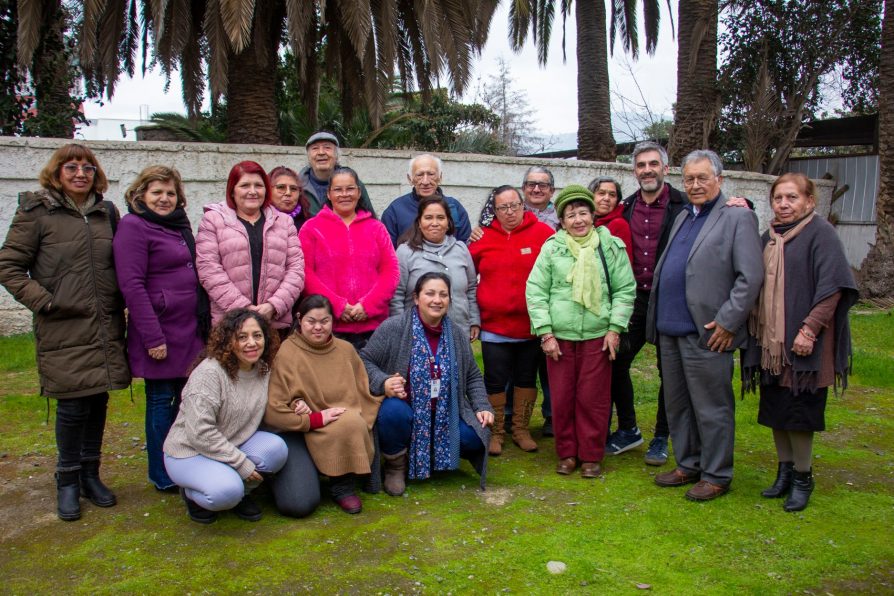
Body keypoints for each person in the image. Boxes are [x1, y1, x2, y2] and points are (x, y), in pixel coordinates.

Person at [0, 143, 130, 521]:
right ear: (57, 172)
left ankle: (92, 474)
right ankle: (67, 480)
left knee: (98, 400)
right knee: (73, 404)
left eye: (87, 168)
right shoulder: (37, 212)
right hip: (63, 324)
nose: (79, 174)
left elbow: (120, 260)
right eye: (71, 167)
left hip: (104, 322)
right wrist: (46, 302)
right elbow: (9, 266)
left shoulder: (107, 212)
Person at [646, 149, 763, 502]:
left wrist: (728, 322)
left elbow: (750, 276)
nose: (695, 185)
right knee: (678, 404)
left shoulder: (737, 218)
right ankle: (689, 463)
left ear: (720, 180)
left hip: (709, 332)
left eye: (703, 178)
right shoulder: (684, 216)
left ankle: (716, 473)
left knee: (711, 406)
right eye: (690, 179)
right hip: (671, 329)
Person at [743, 173, 858, 512]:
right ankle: (784, 471)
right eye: (778, 198)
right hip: (771, 345)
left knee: (800, 412)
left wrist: (809, 330)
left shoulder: (821, 234)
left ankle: (803, 477)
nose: (784, 204)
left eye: (792, 197)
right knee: (777, 409)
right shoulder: (769, 237)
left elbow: (833, 287)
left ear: (809, 201)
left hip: (807, 344)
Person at [526, 185, 636, 479]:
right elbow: (536, 291)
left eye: (583, 213)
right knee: (562, 398)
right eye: (571, 215)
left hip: (598, 335)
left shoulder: (609, 246)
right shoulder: (552, 248)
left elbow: (625, 289)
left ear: (592, 215)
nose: (578, 220)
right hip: (560, 336)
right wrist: (546, 334)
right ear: (562, 220)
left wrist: (615, 329)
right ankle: (567, 453)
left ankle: (590, 454)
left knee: (593, 398)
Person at [113, 165, 207, 492]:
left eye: (170, 193)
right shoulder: (133, 227)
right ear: (141, 195)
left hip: (189, 328)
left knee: (186, 400)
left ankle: (185, 462)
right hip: (160, 331)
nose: (165, 199)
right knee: (160, 401)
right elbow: (132, 285)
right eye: (157, 193)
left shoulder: (178, 225)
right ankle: (162, 472)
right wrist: (153, 337)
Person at [360, 272, 494, 496]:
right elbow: (364, 360)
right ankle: (396, 465)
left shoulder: (457, 335)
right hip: (406, 410)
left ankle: (430, 453)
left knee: (476, 436)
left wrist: (482, 407)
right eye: (430, 293)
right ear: (416, 298)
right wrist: (383, 382)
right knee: (392, 412)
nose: (437, 300)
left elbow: (472, 375)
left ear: (449, 300)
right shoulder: (394, 328)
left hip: (444, 415)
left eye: (443, 295)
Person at [164, 309, 287, 523]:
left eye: (257, 336)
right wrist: (240, 463)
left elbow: (282, 395)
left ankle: (242, 494)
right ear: (228, 341)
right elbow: (200, 434)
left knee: (276, 449)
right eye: (242, 337)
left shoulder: (263, 369)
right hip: (190, 452)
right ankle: (193, 495)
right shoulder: (210, 373)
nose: (252, 343)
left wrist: (298, 403)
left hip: (229, 443)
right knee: (226, 491)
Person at [266, 294, 383, 515]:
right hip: (303, 426)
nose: (318, 327)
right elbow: (276, 406)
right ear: (299, 319)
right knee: (299, 502)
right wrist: (300, 408)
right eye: (311, 321)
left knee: (351, 421)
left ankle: (343, 486)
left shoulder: (345, 349)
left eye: (325, 321)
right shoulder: (287, 352)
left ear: (333, 321)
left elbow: (361, 389)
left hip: (342, 418)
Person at [609, 142, 688, 464]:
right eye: (641, 165)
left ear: (665, 169)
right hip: (636, 299)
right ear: (634, 171)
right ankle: (628, 429)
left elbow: (719, 210)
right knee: (615, 362)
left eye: (653, 164)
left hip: (671, 298)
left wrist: (745, 203)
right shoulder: (625, 207)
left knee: (669, 371)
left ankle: (661, 437)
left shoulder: (683, 206)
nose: (647, 170)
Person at [469, 185, 555, 456]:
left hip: (530, 327)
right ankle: (495, 431)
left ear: (523, 205)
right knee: (494, 380)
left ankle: (521, 429)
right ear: (494, 210)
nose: (509, 212)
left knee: (526, 379)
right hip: (494, 327)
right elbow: (468, 279)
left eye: (514, 205)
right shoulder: (482, 238)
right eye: (502, 207)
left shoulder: (544, 234)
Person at [196, 161, 305, 337]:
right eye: (245, 185)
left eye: (259, 186)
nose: (252, 191)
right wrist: (243, 310)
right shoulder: (213, 220)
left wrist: (273, 306)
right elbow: (209, 270)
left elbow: (296, 270)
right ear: (232, 190)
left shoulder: (284, 222)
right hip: (230, 323)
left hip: (273, 323)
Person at [299, 166, 399, 350]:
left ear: (359, 192)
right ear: (329, 194)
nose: (344, 194)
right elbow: (306, 273)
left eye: (350, 189)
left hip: (374, 327)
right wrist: (337, 306)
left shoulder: (376, 228)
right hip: (330, 326)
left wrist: (367, 306)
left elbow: (390, 271)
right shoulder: (311, 228)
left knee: (372, 378)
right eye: (338, 189)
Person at [390, 194, 480, 341]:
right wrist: (401, 329)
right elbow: (396, 295)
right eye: (428, 218)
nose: (435, 223)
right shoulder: (405, 252)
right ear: (419, 222)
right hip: (416, 335)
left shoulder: (461, 249)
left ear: (448, 222)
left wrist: (474, 320)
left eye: (440, 217)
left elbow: (471, 288)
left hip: (458, 331)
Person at [382, 154, 472, 246]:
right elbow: (388, 250)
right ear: (410, 179)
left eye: (431, 174)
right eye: (419, 175)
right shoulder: (395, 210)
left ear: (440, 177)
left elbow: (465, 245)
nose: (425, 181)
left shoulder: (454, 206)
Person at [298, 131, 375, 217]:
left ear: (337, 155)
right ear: (308, 156)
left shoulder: (353, 183)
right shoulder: (297, 186)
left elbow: (370, 218)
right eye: (315, 148)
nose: (321, 152)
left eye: (327, 147)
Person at [589, 176, 633, 262]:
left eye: (612, 195)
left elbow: (624, 264)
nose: (606, 198)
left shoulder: (618, 224)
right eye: (601, 193)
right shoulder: (586, 221)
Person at [268, 165, 310, 232]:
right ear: (268, 190)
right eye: (281, 187)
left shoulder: (309, 224)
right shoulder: (260, 221)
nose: (288, 193)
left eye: (293, 189)